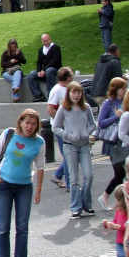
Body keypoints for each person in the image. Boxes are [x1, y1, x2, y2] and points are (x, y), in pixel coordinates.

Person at [0, 109, 46, 257]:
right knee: (3, 226)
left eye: (33, 124)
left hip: (24, 186)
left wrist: (38, 190)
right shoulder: (9, 134)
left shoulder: (39, 142)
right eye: (26, 122)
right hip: (4, 184)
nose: (29, 126)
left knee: (22, 226)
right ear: (20, 122)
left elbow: (40, 167)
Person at [53, 81, 97, 217]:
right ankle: (75, 207)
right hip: (69, 146)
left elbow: (93, 124)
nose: (76, 95)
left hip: (84, 145)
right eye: (74, 92)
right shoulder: (63, 108)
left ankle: (86, 204)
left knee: (88, 175)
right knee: (74, 178)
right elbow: (55, 127)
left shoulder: (86, 107)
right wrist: (68, 135)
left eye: (79, 92)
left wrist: (86, 132)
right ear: (69, 94)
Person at [97, 79, 129, 209]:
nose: (124, 91)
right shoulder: (108, 103)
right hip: (112, 143)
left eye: (125, 88)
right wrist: (116, 116)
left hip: (124, 142)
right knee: (120, 173)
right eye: (122, 88)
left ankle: (120, 202)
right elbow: (101, 123)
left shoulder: (125, 102)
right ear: (115, 89)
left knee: (123, 173)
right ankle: (105, 196)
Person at [47, 67, 75, 188]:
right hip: (61, 128)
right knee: (69, 155)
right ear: (68, 77)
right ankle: (69, 184)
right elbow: (51, 109)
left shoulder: (68, 89)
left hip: (70, 126)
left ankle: (58, 175)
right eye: (71, 74)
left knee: (71, 155)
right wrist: (61, 123)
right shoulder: (57, 90)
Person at [30, 33, 62, 102]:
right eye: (44, 41)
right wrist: (39, 71)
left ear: (50, 39)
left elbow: (55, 61)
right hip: (44, 71)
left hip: (55, 69)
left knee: (49, 71)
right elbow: (39, 62)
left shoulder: (56, 48)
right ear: (42, 41)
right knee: (31, 74)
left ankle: (51, 95)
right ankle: (38, 95)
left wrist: (44, 70)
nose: (46, 42)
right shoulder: (41, 50)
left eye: (47, 40)